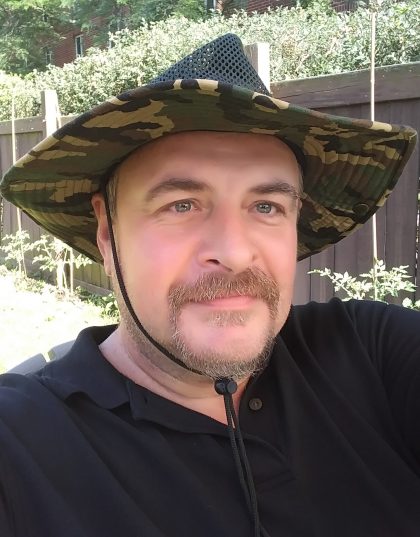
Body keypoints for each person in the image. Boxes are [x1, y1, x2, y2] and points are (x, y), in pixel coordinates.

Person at [0, 34, 419, 537]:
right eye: (181, 205)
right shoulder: (21, 445)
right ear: (107, 234)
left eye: (266, 206)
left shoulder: (372, 352)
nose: (235, 252)